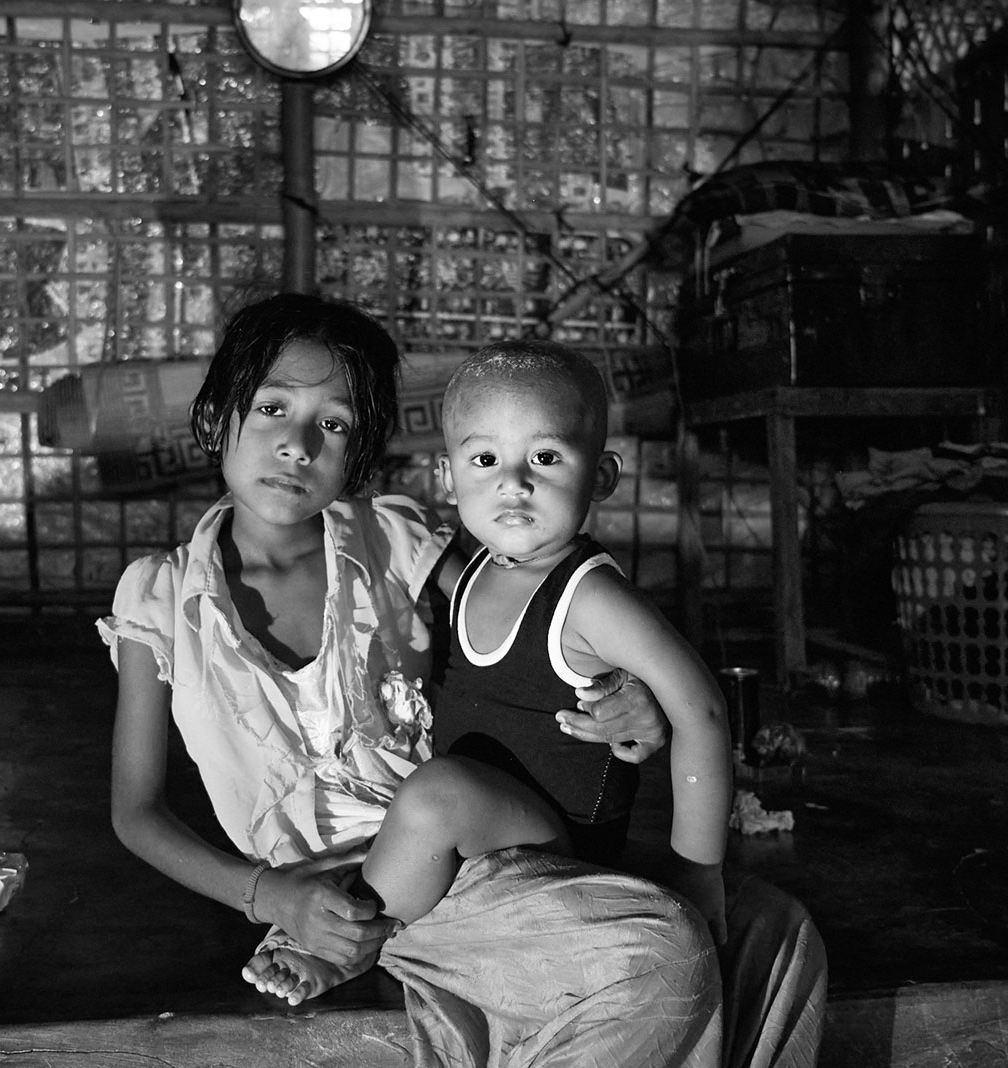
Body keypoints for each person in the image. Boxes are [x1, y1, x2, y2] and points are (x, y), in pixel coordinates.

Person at [102, 293, 824, 1067]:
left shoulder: (396, 540)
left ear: (361, 451)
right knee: (665, 955)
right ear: (218, 418)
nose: (297, 444)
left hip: (480, 849)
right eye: (273, 407)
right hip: (335, 905)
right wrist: (266, 895)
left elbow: (531, 615)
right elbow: (136, 812)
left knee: (776, 930)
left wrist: (630, 695)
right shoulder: (158, 600)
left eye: (335, 423)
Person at [353, 339, 731, 942]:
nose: (514, 483)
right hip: (487, 835)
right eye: (485, 461)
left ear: (601, 475)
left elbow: (704, 712)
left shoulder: (592, 598)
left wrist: (698, 871)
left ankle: (362, 937)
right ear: (447, 478)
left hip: (561, 850)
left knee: (434, 796)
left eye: (547, 457)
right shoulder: (475, 569)